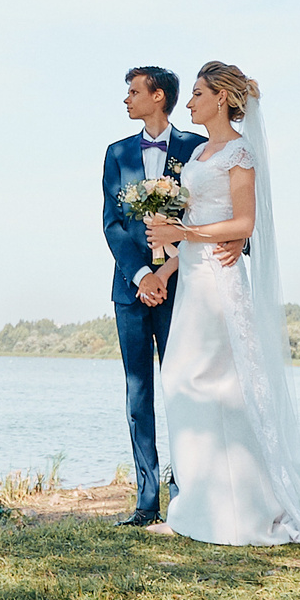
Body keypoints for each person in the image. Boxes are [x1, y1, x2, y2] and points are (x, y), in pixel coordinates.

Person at [140, 62, 300, 547]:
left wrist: (180, 232)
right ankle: (198, 506)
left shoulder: (239, 153)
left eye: (198, 94)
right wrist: (163, 272)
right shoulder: (201, 153)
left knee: (216, 384)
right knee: (184, 381)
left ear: (223, 98)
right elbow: (197, 230)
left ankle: (241, 508)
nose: (189, 103)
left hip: (222, 283)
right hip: (193, 282)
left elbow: (243, 224)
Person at [101, 66, 205, 526]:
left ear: (157, 96)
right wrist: (143, 274)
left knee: (182, 389)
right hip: (130, 291)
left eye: (133, 91)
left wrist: (164, 272)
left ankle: (186, 496)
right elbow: (112, 224)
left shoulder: (195, 150)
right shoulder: (116, 153)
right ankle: (146, 502)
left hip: (182, 288)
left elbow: (204, 215)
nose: (126, 99)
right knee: (138, 394)